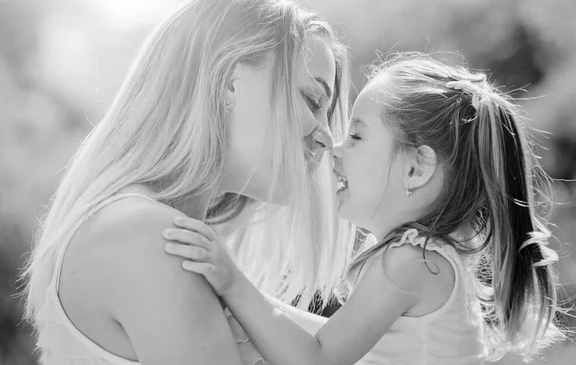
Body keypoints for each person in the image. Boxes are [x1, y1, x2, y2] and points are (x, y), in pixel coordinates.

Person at [20, 0, 356, 364]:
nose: (328, 138)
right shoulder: (153, 239)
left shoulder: (168, 237)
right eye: (313, 100)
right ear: (230, 82)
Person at [164, 52, 566, 364]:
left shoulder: (410, 261)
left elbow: (317, 357)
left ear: (416, 168)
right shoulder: (424, 257)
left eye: (356, 136)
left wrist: (234, 284)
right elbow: (333, 338)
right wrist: (249, 311)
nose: (335, 150)